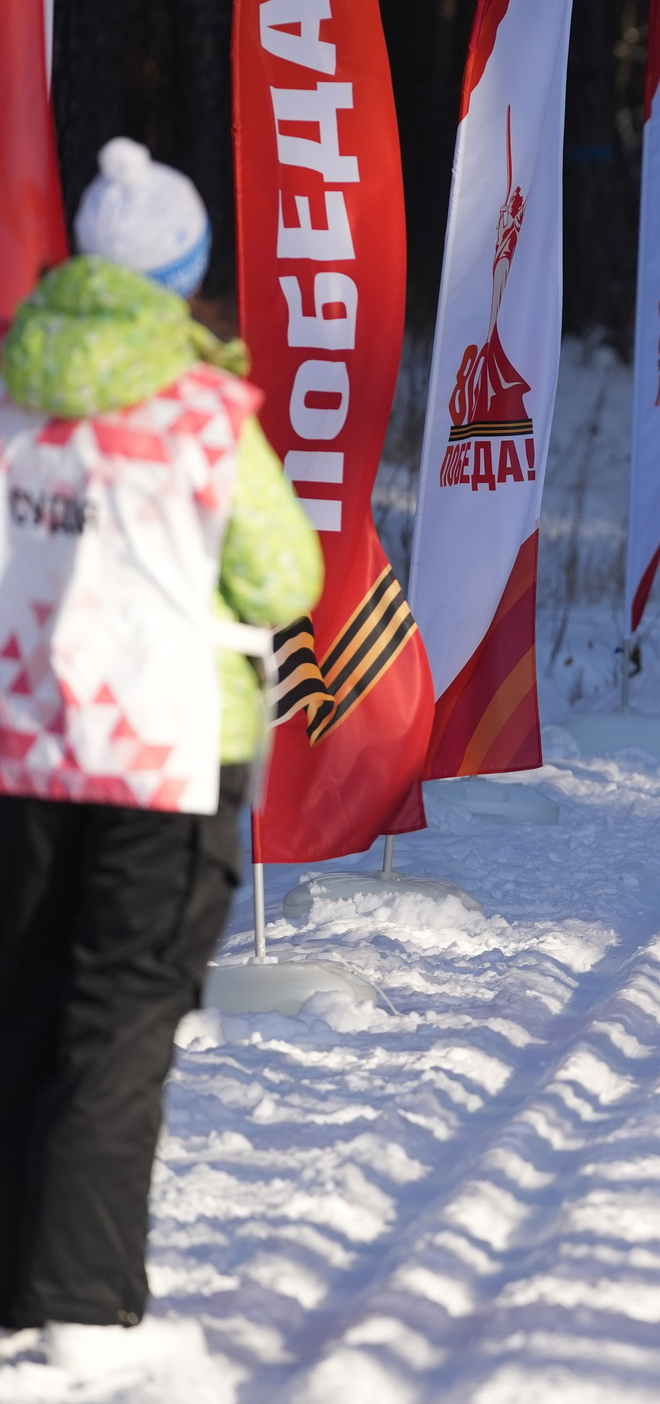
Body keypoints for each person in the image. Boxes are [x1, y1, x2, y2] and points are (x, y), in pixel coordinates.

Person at [0, 140, 322, 1369]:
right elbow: (283, 575)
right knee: (121, 1015)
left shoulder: (16, 383)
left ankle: (15, 1286)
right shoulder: (200, 411)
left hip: (22, 747)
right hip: (166, 752)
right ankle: (80, 1308)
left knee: (21, 1003)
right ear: (186, 271)